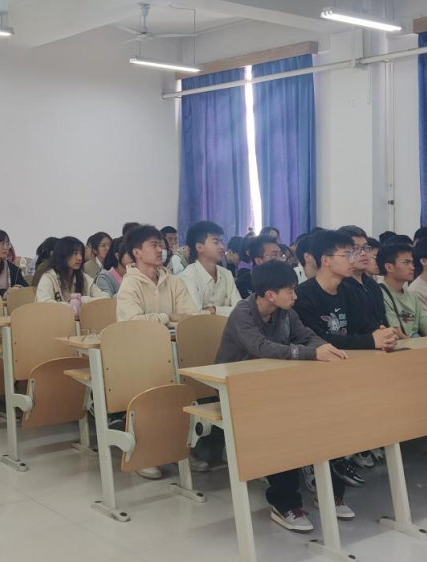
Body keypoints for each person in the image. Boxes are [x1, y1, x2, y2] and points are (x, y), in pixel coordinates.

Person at [216, 260, 349, 531]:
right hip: (235, 388)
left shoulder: (286, 312)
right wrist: (313, 354)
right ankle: (284, 503)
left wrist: (327, 349)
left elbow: (307, 336)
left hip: (272, 384)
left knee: (323, 415)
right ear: (270, 295)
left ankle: (327, 488)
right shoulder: (243, 313)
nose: (295, 296)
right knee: (282, 424)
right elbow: (262, 347)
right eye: (290, 291)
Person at [295, 231, 398, 487]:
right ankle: (315, 461)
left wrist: (382, 334)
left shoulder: (349, 291)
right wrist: (370, 340)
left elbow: (363, 326)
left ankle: (342, 454)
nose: (354, 258)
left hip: (347, 366)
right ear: (326, 260)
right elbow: (318, 339)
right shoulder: (304, 295)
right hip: (313, 372)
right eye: (347, 254)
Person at [115, 225, 200, 479]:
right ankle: (145, 452)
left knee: (180, 394)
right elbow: (133, 323)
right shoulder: (129, 285)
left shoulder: (172, 281)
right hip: (138, 354)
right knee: (150, 397)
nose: (160, 249)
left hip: (171, 351)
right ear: (137, 252)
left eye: (161, 245)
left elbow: (190, 316)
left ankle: (177, 448)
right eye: (153, 245)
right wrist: (167, 317)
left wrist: (165, 319)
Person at [377, 243, 427, 339]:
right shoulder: (380, 294)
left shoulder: (411, 295)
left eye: (412, 263)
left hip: (416, 343)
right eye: (406, 263)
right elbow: (398, 334)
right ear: (389, 267)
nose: (412, 267)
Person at [180, 221, 241, 315]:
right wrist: (227, 310)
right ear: (199, 247)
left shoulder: (226, 274)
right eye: (216, 242)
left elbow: (241, 310)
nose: (222, 247)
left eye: (221, 242)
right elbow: (196, 316)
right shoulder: (188, 277)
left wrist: (214, 310)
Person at [338, 226, 388, 329]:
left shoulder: (373, 285)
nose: (364, 253)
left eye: (366, 248)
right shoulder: (339, 286)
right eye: (356, 249)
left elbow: (382, 318)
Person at [35, 236, 110, 304]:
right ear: (63, 255)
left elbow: (106, 298)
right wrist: (71, 305)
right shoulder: (49, 277)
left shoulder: (83, 277)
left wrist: (83, 300)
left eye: (81, 253)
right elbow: (44, 304)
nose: (80, 258)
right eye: (75, 253)